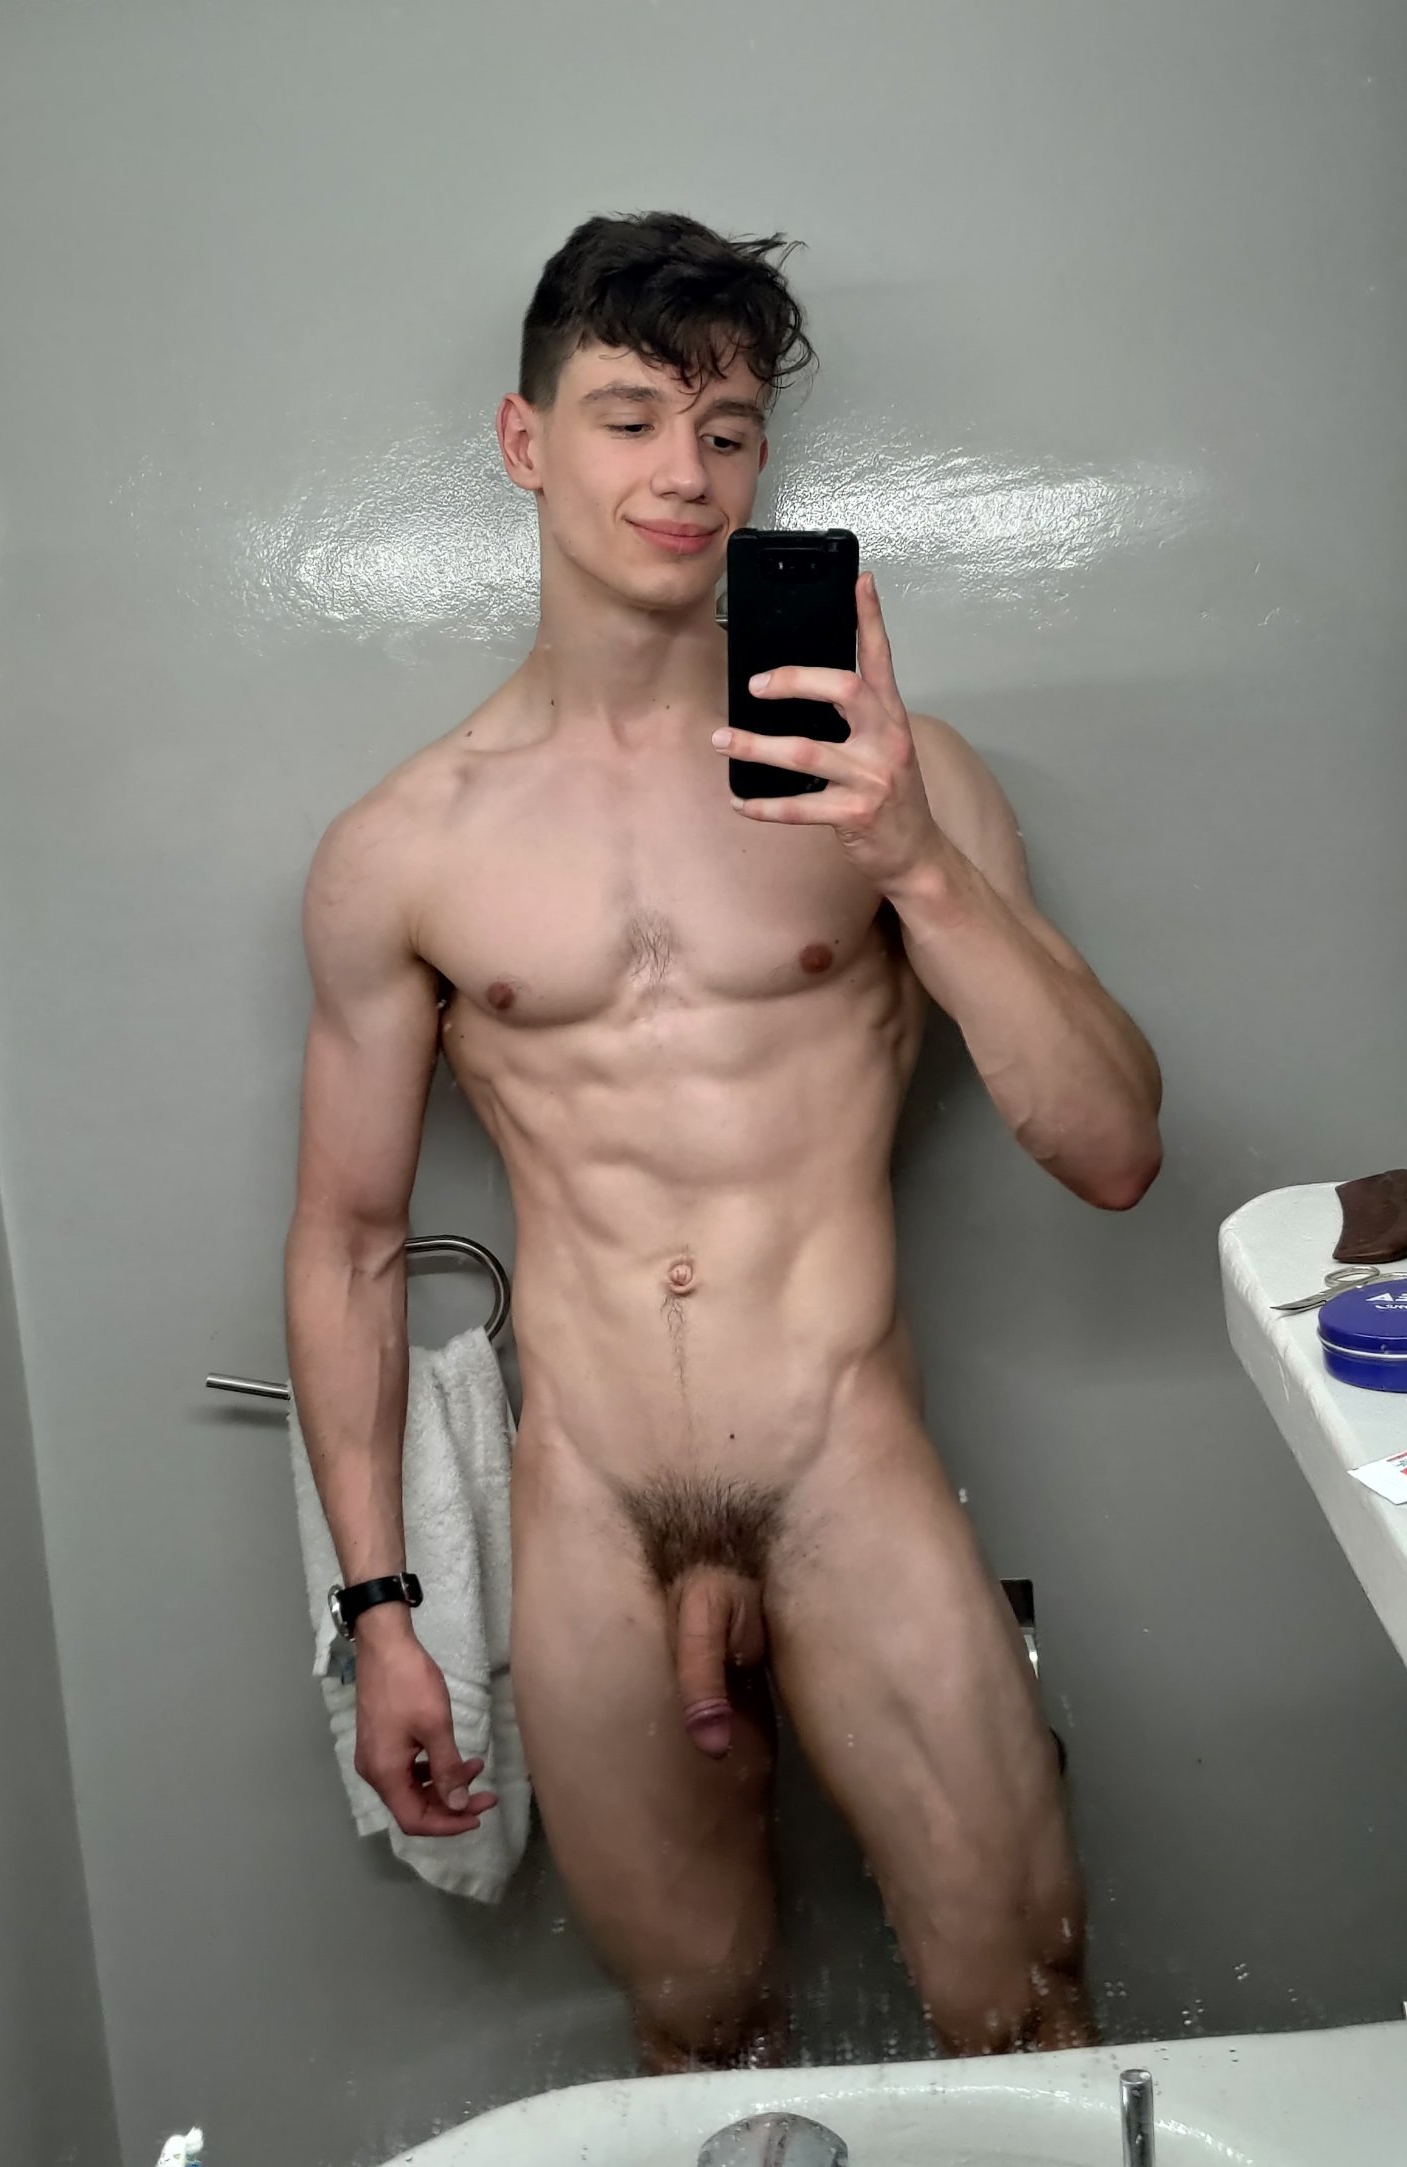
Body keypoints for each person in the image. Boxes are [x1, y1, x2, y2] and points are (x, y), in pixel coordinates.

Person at [284, 209, 1163, 2074]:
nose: (682, 474)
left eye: (727, 429)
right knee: (698, 2050)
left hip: (845, 1464)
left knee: (1030, 2016)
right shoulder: (402, 849)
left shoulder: (898, 781)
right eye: (627, 418)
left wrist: (913, 862)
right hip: (591, 1505)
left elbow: (1112, 1150)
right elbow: (347, 1244)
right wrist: (381, 1620)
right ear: (524, 442)